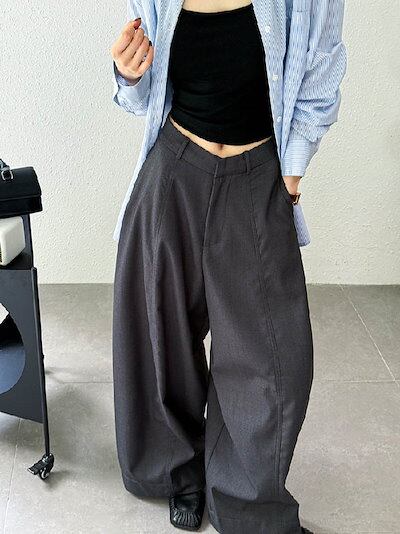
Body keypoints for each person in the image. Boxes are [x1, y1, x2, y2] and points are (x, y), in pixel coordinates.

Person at [110, 1, 347, 533]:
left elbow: (322, 67)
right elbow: (141, 96)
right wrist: (128, 74)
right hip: (174, 170)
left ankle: (246, 503)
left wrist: (291, 175)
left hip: (257, 173)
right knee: (160, 337)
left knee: (272, 360)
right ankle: (177, 472)